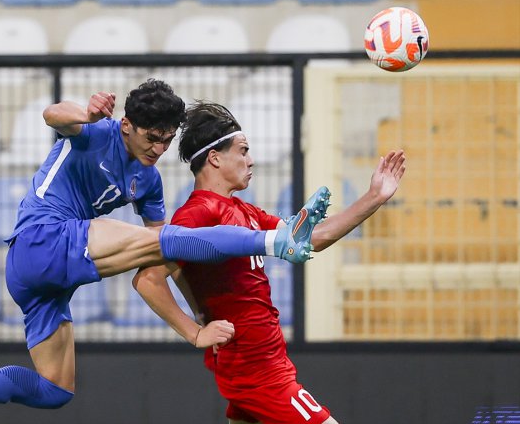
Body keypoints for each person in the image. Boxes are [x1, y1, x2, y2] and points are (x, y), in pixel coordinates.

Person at [0, 80, 328, 420]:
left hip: (42, 280)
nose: (158, 149)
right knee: (164, 237)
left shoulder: (149, 180)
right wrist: (85, 112)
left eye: (166, 140)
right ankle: (278, 240)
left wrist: (199, 312)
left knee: (54, 392)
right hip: (44, 239)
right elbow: (51, 113)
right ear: (126, 125)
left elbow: (171, 259)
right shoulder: (94, 134)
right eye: (151, 137)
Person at [134, 101, 406, 424]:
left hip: (265, 360)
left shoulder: (246, 212)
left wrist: (373, 197)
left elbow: (310, 238)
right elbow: (147, 278)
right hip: (256, 370)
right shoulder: (197, 213)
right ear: (215, 158)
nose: (251, 160)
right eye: (243, 150)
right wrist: (195, 333)